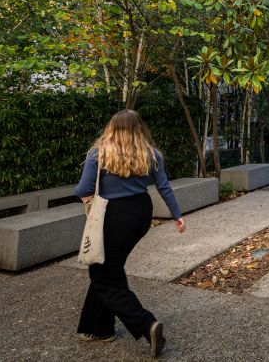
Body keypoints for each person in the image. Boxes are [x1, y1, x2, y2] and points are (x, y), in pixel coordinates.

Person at [74, 109, 186, 359]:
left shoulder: (99, 154)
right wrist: (177, 215)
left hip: (113, 216)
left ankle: (146, 325)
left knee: (103, 275)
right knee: (108, 267)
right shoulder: (152, 154)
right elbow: (164, 186)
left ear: (112, 127)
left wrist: (84, 194)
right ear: (139, 128)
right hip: (140, 214)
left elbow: (82, 188)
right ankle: (98, 329)